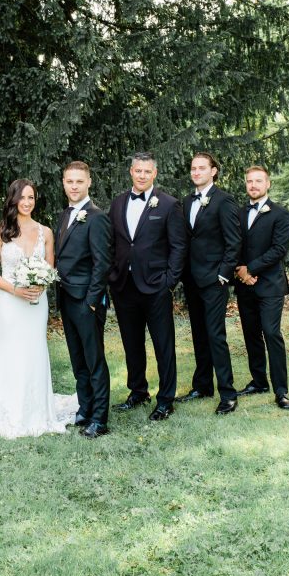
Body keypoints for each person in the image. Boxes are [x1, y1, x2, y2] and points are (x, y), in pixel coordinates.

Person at [0, 179, 77, 438]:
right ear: (13, 199)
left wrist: (41, 284)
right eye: (22, 197)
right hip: (10, 302)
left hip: (36, 303)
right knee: (10, 350)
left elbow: (51, 269)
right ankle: (6, 408)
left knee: (34, 349)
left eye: (31, 197)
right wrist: (15, 290)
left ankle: (36, 408)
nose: (27, 202)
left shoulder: (45, 232)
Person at [108, 152, 187, 421]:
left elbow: (178, 246)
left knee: (163, 344)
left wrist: (169, 281)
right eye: (138, 170)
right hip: (124, 285)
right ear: (131, 172)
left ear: (154, 174)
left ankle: (166, 399)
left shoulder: (169, 205)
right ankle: (138, 391)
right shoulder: (118, 203)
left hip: (156, 286)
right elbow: (113, 242)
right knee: (132, 343)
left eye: (147, 171)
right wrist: (112, 275)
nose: (142, 175)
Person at [179, 152, 241, 414]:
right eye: (193, 168)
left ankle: (228, 393)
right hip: (192, 279)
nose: (196, 172)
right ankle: (203, 385)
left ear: (213, 171)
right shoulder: (186, 201)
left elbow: (234, 241)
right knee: (199, 334)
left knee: (216, 335)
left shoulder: (224, 201)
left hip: (214, 280)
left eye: (202, 168)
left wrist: (223, 274)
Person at [56, 161, 112, 438]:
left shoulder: (97, 217)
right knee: (78, 360)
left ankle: (100, 418)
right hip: (66, 298)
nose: (74, 186)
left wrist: (92, 300)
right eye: (70, 181)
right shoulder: (64, 215)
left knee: (94, 361)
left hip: (86, 300)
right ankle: (85, 407)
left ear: (89, 182)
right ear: (63, 183)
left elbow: (103, 263)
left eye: (79, 181)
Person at [234, 166, 289, 410]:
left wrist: (251, 269)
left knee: (271, 333)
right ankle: (259, 382)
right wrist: (239, 270)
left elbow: (279, 249)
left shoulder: (280, 213)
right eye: (249, 181)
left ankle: (281, 391)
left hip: (270, 285)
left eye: (258, 181)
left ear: (268, 184)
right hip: (244, 285)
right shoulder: (239, 213)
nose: (253, 185)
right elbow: (232, 244)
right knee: (251, 335)